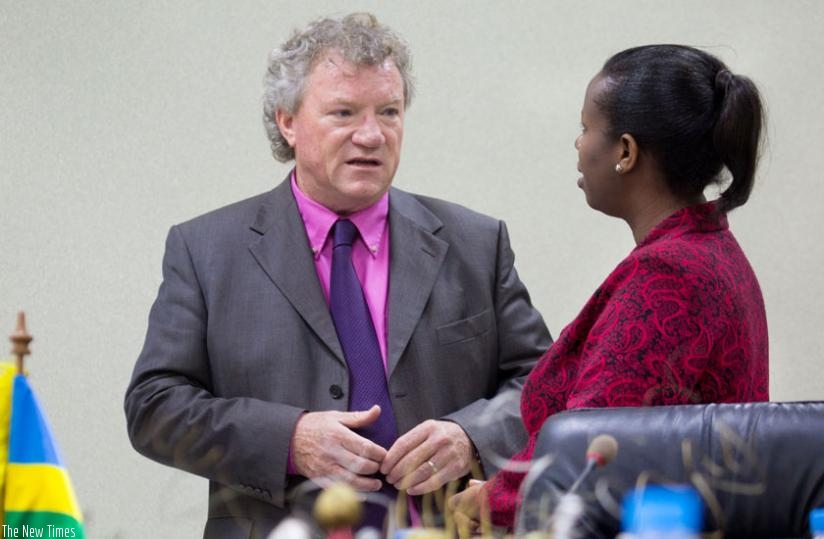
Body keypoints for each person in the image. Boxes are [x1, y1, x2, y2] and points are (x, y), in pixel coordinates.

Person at [123, 12, 551, 538]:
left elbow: (547, 384)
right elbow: (155, 408)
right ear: (287, 121)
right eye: (344, 112)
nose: (371, 135)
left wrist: (471, 435)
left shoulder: (475, 243)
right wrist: (288, 439)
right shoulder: (207, 250)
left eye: (389, 112)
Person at [448, 44, 769, 533]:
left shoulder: (671, 274)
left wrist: (491, 500)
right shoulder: (709, 247)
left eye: (585, 128)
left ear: (625, 151)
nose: (578, 145)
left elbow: (593, 450)